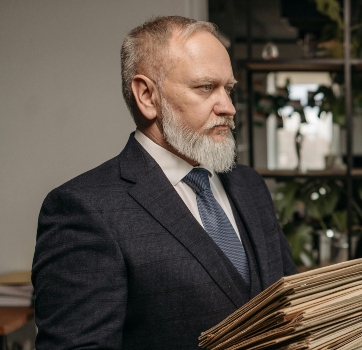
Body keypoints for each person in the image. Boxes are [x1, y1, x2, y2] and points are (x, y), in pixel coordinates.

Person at [32, 16, 297, 349]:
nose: (228, 107)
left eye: (228, 89)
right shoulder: (84, 209)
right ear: (147, 96)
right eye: (206, 87)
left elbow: (293, 304)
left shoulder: (249, 185)